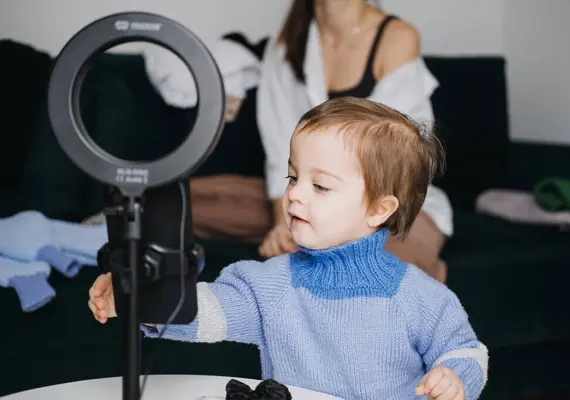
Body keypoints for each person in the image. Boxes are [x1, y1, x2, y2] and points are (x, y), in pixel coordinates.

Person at [89, 97, 488, 400]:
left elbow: (465, 350)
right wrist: (138, 295)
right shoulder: (270, 283)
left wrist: (454, 378)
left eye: (320, 186)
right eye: (292, 177)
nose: (294, 194)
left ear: (378, 210)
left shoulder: (420, 296)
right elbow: (202, 311)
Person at [255, 0, 454, 282]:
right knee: (188, 201)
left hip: (384, 203)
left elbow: (397, 160)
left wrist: (319, 230)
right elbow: (279, 151)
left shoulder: (397, 38)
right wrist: (283, 223)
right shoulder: (287, 42)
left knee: (388, 269)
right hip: (303, 188)